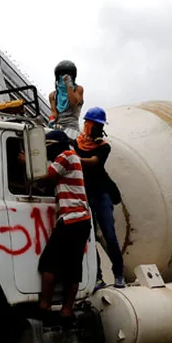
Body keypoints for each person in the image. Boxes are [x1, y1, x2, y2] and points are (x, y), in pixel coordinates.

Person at [34, 130, 92, 324]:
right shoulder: (71, 157)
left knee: (48, 263)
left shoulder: (66, 156)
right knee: (72, 268)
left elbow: (47, 176)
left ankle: (44, 307)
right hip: (80, 220)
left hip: (71, 219)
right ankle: (67, 312)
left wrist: (28, 163)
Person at [73, 107, 126, 290]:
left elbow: (95, 162)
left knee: (109, 236)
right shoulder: (76, 144)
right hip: (85, 194)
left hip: (101, 194)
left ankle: (119, 273)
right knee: (90, 237)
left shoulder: (104, 147)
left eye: (98, 126)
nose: (94, 128)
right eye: (92, 124)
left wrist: (74, 158)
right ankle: (97, 277)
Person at [49, 61, 84, 140]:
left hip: (72, 129)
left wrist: (69, 85)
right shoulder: (53, 95)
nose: (64, 76)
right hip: (58, 127)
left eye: (68, 74)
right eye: (61, 74)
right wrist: (51, 120)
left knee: (68, 146)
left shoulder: (78, 89)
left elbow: (73, 103)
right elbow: (54, 112)